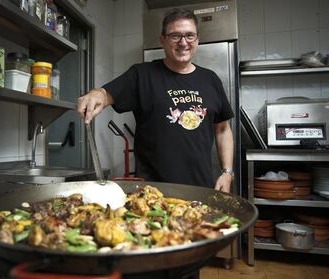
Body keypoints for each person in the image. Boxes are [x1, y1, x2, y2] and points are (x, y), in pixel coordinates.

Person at [77, 9, 235, 193]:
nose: (183, 42)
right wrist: (96, 94)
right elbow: (106, 94)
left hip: (201, 189)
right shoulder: (142, 75)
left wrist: (227, 172)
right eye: (175, 35)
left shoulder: (211, 79)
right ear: (162, 40)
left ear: (197, 39)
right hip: (153, 193)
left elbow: (223, 129)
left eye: (189, 35)